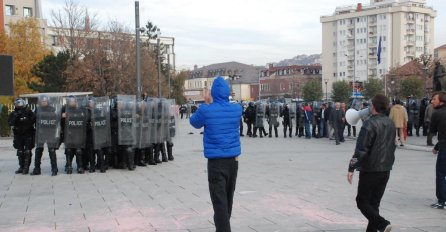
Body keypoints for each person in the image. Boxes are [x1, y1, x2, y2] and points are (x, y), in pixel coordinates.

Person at [190, 76, 242, 232]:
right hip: (233, 161)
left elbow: (194, 122)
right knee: (228, 197)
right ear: (227, 93)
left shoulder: (206, 110)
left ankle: (223, 229)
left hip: (215, 162)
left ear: (212, 93)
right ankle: (222, 226)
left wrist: (206, 103)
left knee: (219, 201)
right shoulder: (237, 108)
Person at [347, 94, 396, 232]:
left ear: (373, 106)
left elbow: (361, 149)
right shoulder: (390, 122)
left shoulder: (369, 123)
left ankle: (382, 224)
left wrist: (351, 167)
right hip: (385, 168)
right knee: (374, 204)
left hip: (370, 169)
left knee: (362, 202)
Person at [8, 98, 35, 174]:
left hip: (28, 134)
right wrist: (16, 116)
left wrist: (25, 120)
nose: (19, 105)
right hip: (18, 135)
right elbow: (10, 123)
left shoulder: (29, 112)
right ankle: (21, 167)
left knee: (27, 151)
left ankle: (26, 168)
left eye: (20, 103)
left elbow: (33, 119)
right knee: (20, 151)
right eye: (17, 104)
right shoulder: (13, 113)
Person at [429, 91, 446, 209]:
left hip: (445, 147)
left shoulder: (437, 113)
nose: (432, 101)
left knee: (441, 173)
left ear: (441, 101)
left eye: (434, 99)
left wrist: (437, 146)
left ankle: (442, 201)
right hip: (443, 144)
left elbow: (432, 130)